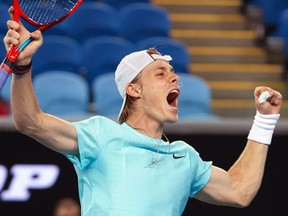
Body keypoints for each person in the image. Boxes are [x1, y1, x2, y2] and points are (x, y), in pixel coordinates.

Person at [3, 6, 283, 216]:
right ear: (133, 90)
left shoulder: (184, 157)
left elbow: (239, 190)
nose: (175, 78)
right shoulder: (101, 135)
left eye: (174, 73)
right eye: (161, 73)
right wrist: (23, 66)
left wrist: (265, 121)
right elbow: (31, 122)